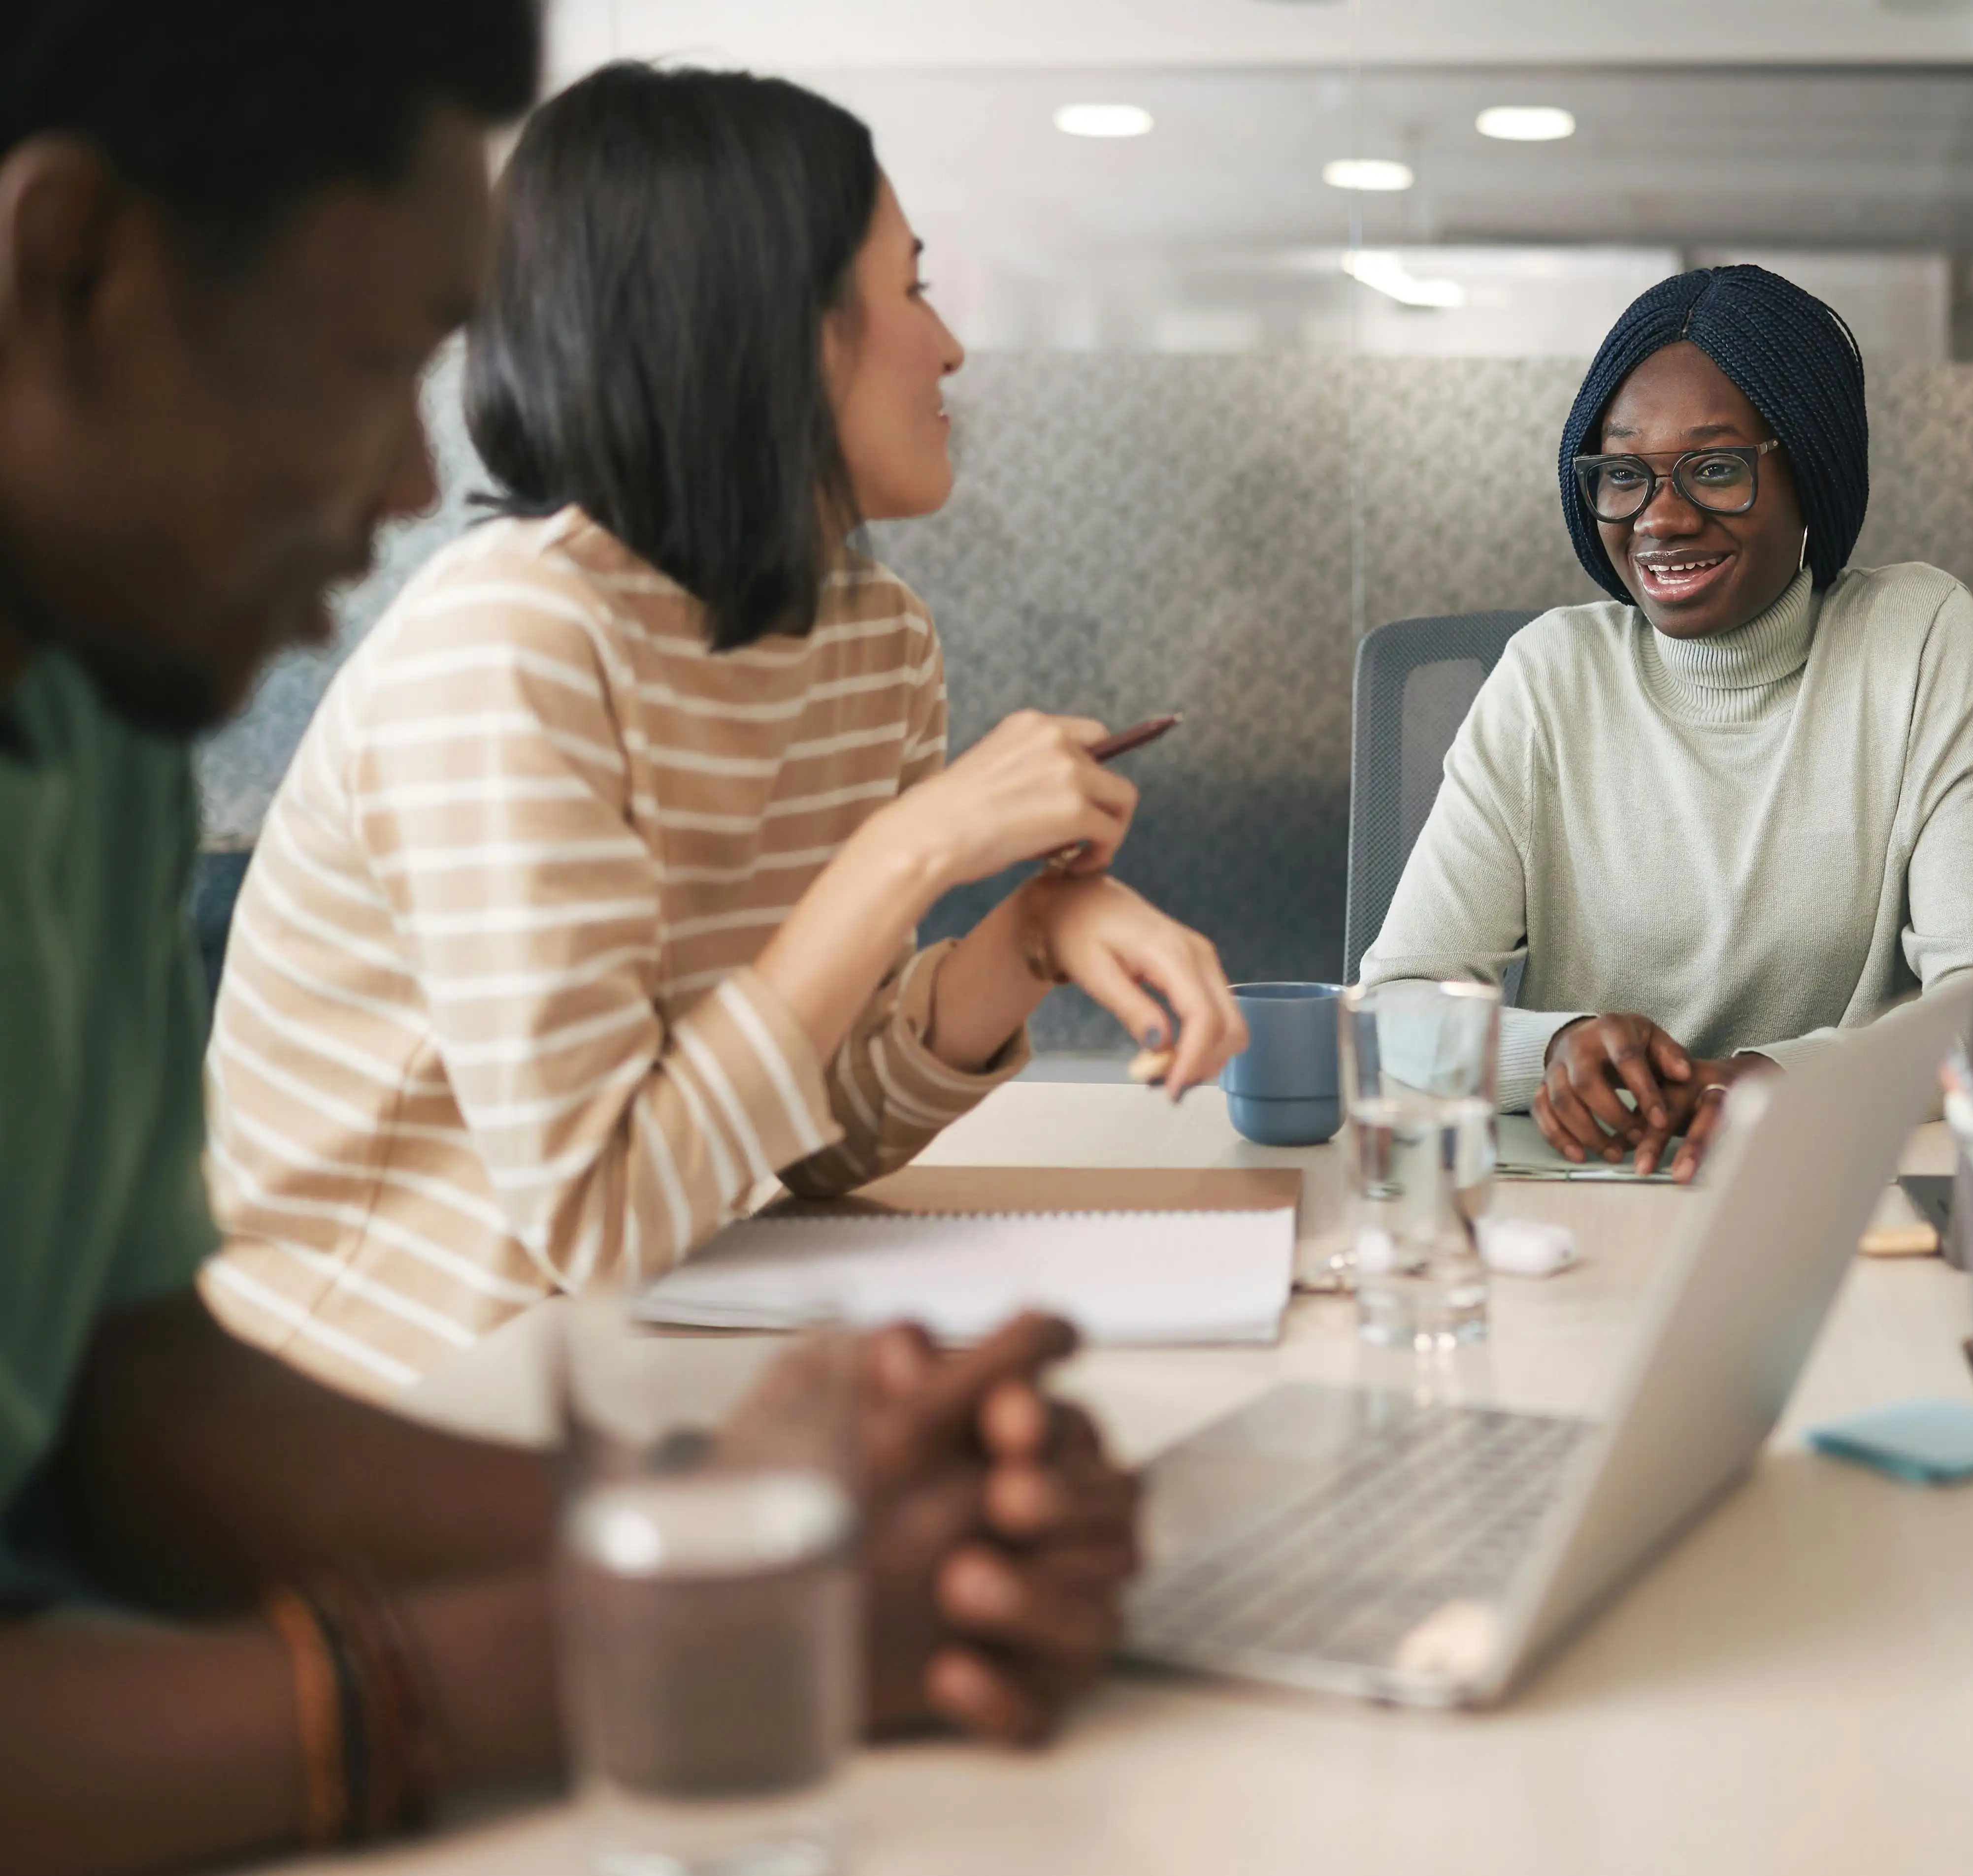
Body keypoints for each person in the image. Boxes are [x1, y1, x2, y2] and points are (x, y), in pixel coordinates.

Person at [0, 10, 1134, 1876]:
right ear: (72, 274)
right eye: (378, 362)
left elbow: (140, 1412)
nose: (395, 489)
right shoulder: (483, 644)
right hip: (451, 1362)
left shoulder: (96, 724)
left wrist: (745, 1531)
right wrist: (677, 1623)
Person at [203, 65, 1248, 1395]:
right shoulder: (512, 641)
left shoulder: (874, 641)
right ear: (780, 330)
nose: (951, 347)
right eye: (912, 288)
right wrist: (909, 853)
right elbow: (597, 1215)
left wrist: (1026, 937)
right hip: (363, 1404)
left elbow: (816, 1132)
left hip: (618, 1368)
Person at [1356, 265, 1973, 1179]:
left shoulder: (1916, 644)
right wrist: (1550, 1053)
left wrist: (1778, 1081)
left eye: (1716, 469)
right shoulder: (1550, 676)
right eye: (1625, 475)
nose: (1663, 519)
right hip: (1585, 1198)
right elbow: (1389, 1009)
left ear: (1809, 469)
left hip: (1829, 1191)